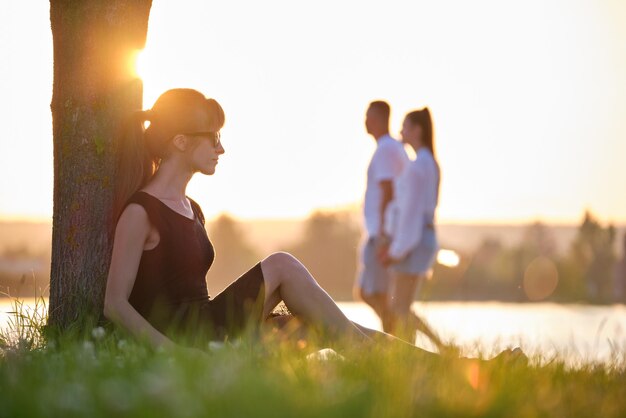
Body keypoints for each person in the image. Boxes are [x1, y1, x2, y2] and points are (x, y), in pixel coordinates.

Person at [103, 88, 524, 364]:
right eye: (212, 138)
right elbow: (115, 304)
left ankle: (448, 371)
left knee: (332, 330)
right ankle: (455, 369)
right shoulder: (142, 211)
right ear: (179, 141)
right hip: (188, 340)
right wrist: (176, 354)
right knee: (285, 266)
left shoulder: (191, 207)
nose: (221, 148)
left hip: (211, 328)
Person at [379, 108, 443, 348]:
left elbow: (410, 215)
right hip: (423, 237)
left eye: (405, 126)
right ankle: (436, 347)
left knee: (399, 307)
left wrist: (396, 250)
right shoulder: (429, 164)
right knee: (403, 306)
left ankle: (423, 351)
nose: (400, 131)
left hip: (414, 239)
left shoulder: (418, 168)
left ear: (417, 130)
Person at [355, 101, 408, 332]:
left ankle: (395, 337)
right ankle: (395, 336)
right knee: (371, 292)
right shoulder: (390, 148)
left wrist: (385, 233)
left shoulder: (387, 149)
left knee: (374, 293)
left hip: (382, 233)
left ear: (378, 118)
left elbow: (388, 191)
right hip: (379, 231)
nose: (365, 121)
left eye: (368, 116)